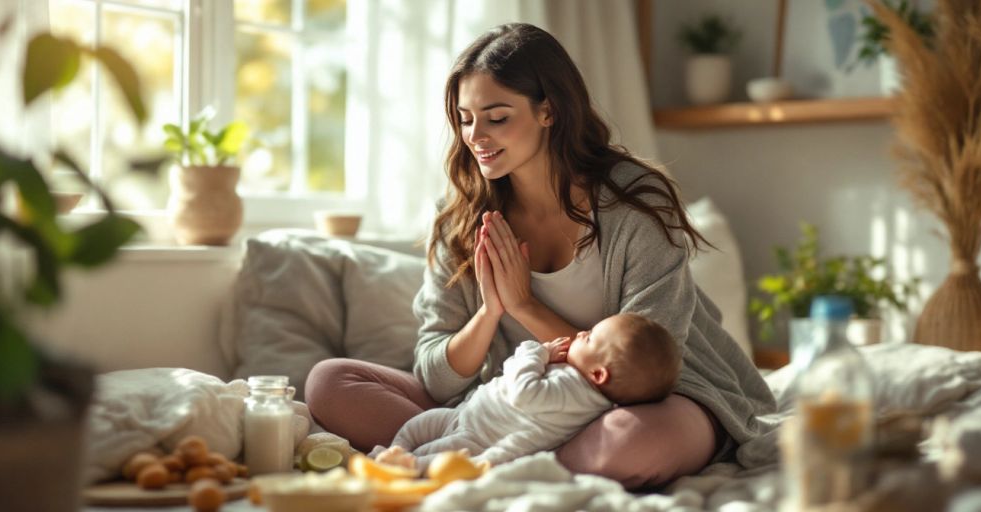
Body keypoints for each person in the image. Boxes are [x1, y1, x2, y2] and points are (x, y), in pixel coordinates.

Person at [306, 22, 775, 489]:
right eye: (465, 118)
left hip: (636, 403)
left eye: (497, 116)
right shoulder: (462, 216)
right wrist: (491, 313)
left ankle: (483, 466)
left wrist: (526, 307)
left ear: (547, 111)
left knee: (641, 438)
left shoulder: (634, 202)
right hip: (511, 402)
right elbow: (436, 377)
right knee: (329, 383)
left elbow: (655, 368)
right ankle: (511, 458)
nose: (476, 136)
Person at [371, 313, 680, 473]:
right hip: (466, 416)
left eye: (590, 338)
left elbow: (524, 393)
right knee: (419, 426)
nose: (582, 332)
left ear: (598, 374)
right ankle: (394, 452)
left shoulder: (575, 390)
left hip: (479, 438)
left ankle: (402, 466)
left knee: (432, 454)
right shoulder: (584, 390)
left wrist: (535, 353)